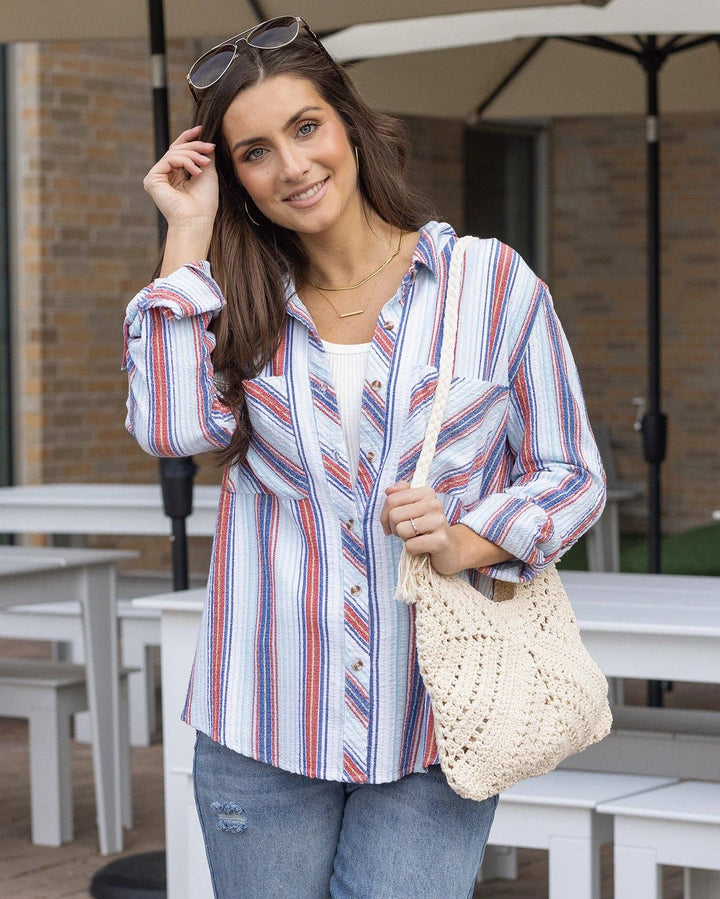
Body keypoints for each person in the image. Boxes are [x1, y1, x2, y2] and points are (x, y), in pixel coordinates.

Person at [123, 16, 606, 899]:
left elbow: (570, 472)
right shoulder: (232, 301)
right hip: (261, 717)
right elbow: (171, 430)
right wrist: (187, 238)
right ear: (234, 176)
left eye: (306, 128)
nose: (294, 166)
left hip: (434, 719)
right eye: (255, 152)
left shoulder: (489, 286)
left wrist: (469, 538)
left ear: (347, 122)